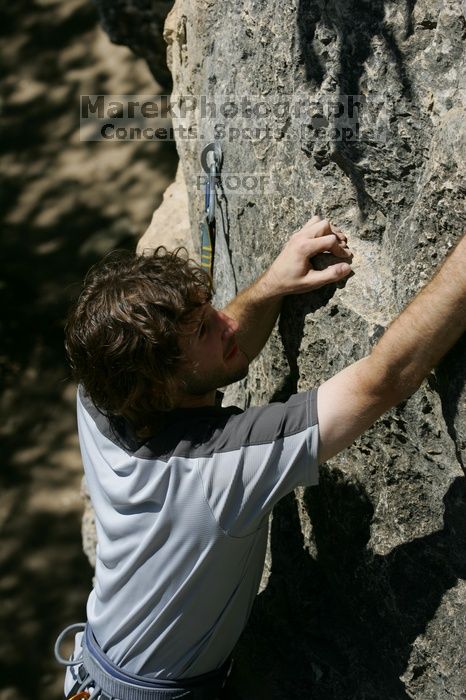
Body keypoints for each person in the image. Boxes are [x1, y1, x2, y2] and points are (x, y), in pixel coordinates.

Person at [57, 216, 466, 700]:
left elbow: (198, 368)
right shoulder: (214, 470)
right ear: (161, 385)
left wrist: (271, 286)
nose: (227, 321)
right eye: (208, 328)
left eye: (207, 311)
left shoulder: (100, 397)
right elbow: (385, 378)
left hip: (98, 674)